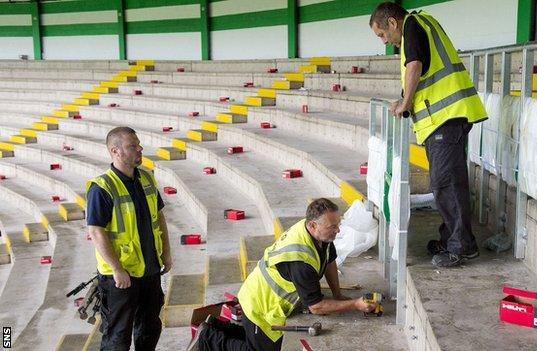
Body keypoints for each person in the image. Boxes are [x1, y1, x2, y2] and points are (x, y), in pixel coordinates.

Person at [369, 2, 488, 267]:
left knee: (446, 183)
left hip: (446, 117)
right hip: (444, 117)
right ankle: (450, 239)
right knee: (444, 182)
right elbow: (422, 70)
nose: (385, 41)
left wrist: (406, 102)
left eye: (382, 34)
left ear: (391, 22)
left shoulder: (411, 25)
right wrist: (403, 98)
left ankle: (462, 246)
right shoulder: (421, 23)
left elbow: (415, 66)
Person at [195, 198, 378, 351]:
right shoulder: (301, 260)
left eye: (338, 224)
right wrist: (355, 304)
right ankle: (208, 337)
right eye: (333, 226)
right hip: (260, 303)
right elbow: (316, 307)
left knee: (260, 341)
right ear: (313, 225)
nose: (338, 230)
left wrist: (337, 295)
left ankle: (216, 327)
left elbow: (329, 260)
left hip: (261, 295)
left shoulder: (318, 234)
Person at [86, 126, 172, 350]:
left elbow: (159, 216)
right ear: (115, 151)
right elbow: (96, 231)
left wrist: (166, 253)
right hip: (120, 277)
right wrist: (117, 269)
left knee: (150, 328)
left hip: (150, 269)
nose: (139, 149)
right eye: (132, 146)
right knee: (118, 337)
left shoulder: (146, 179)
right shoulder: (102, 187)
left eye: (138, 144)